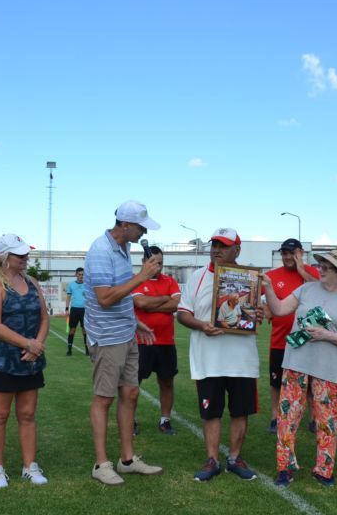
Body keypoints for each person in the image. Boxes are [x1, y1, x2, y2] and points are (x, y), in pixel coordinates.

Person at [263, 250, 337, 488]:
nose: (320, 268)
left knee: (326, 421)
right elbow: (278, 309)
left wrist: (326, 335)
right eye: (320, 264)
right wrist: (268, 287)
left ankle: (324, 470)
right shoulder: (306, 289)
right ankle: (284, 468)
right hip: (296, 363)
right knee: (287, 417)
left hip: (328, 369)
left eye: (326, 266)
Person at [84, 201, 164, 485]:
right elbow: (105, 298)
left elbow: (120, 293)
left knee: (130, 393)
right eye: (141, 226)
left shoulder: (124, 247)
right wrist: (141, 277)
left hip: (125, 332)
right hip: (106, 337)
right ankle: (101, 464)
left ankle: (127, 460)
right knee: (104, 398)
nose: (144, 232)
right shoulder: (100, 251)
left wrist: (134, 319)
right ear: (126, 225)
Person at [178, 228, 264, 482]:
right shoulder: (196, 277)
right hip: (208, 359)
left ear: (237, 250)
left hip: (242, 360)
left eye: (223, 245)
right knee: (211, 411)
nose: (216, 250)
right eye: (214, 244)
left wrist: (258, 315)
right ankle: (212, 459)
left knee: (240, 410)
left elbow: (261, 311)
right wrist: (202, 325)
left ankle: (235, 458)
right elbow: (183, 313)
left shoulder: (252, 278)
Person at [0, 234, 50, 488]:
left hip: (31, 359)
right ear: (4, 257)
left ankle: (29, 466)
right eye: (19, 254)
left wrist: (37, 346)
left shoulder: (32, 282)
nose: (25, 257)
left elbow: (44, 317)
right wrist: (28, 344)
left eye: (25, 253)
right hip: (2, 361)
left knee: (28, 414)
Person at [263, 239, 319, 433]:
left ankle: (314, 418)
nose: (287, 257)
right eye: (284, 253)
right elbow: (259, 295)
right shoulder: (272, 275)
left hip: (308, 340)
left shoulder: (313, 273)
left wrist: (302, 271)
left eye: (291, 253)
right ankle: (275, 417)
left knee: (311, 383)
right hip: (280, 340)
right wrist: (265, 307)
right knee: (276, 382)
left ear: (301, 253)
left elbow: (323, 292)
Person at [132, 246, 181, 435]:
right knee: (134, 383)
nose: (158, 266)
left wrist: (151, 304)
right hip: (141, 342)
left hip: (166, 342)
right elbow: (140, 303)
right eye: (153, 262)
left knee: (167, 382)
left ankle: (165, 420)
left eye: (161, 262)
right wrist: (164, 299)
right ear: (144, 262)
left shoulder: (170, 281)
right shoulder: (135, 281)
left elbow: (176, 303)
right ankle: (131, 421)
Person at [66, 267, 88, 356]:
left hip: (84, 310)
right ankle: (69, 350)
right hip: (74, 310)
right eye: (79, 274)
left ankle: (87, 350)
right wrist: (67, 309)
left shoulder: (87, 285)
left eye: (82, 275)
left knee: (85, 330)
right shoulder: (71, 285)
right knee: (72, 330)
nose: (81, 276)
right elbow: (68, 298)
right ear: (76, 275)